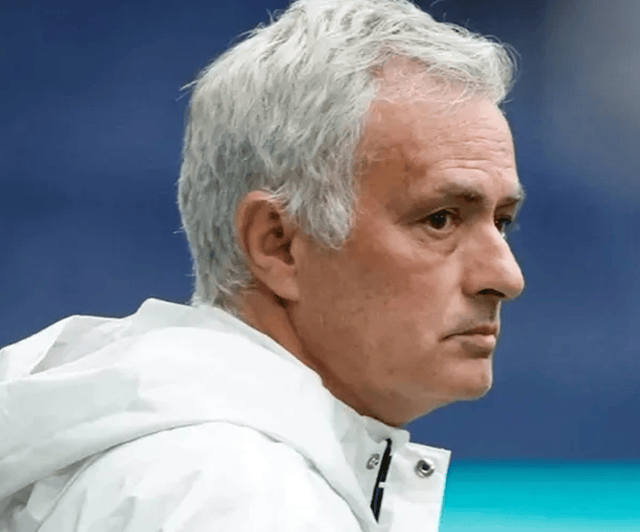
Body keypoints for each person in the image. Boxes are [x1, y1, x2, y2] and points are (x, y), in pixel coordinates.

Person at [0, 0, 525, 530]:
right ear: (278, 244)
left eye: (502, 222)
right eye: (440, 219)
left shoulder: (174, 460)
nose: (506, 276)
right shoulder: (240, 494)